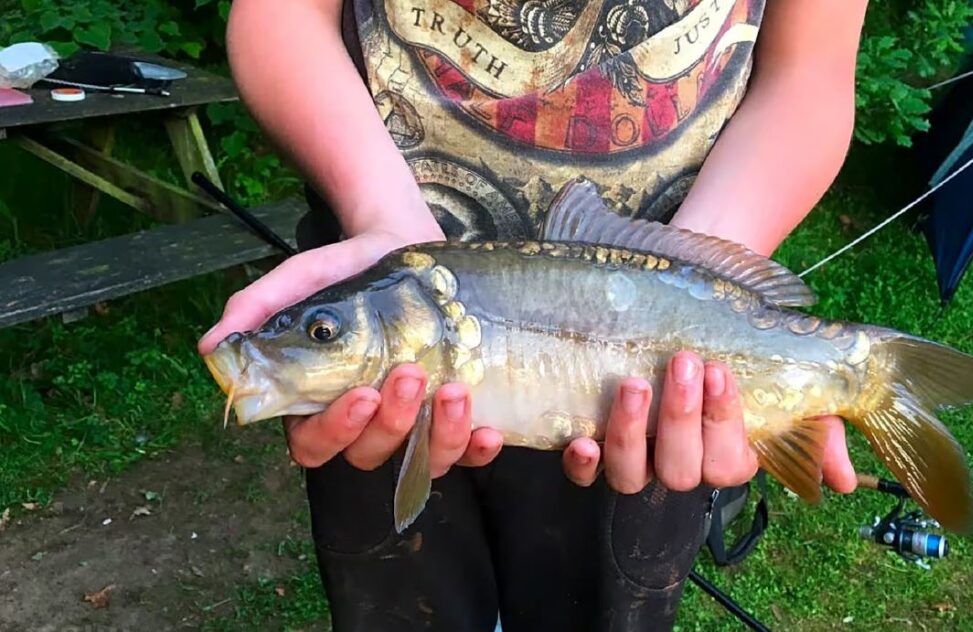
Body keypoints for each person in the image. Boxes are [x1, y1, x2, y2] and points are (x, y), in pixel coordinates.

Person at [198, 0, 869, 629]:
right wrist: (381, 220)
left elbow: (809, 69)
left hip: (656, 370)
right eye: (324, 332)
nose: (313, 338)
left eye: (322, 331)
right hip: (376, 246)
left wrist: (708, 286)